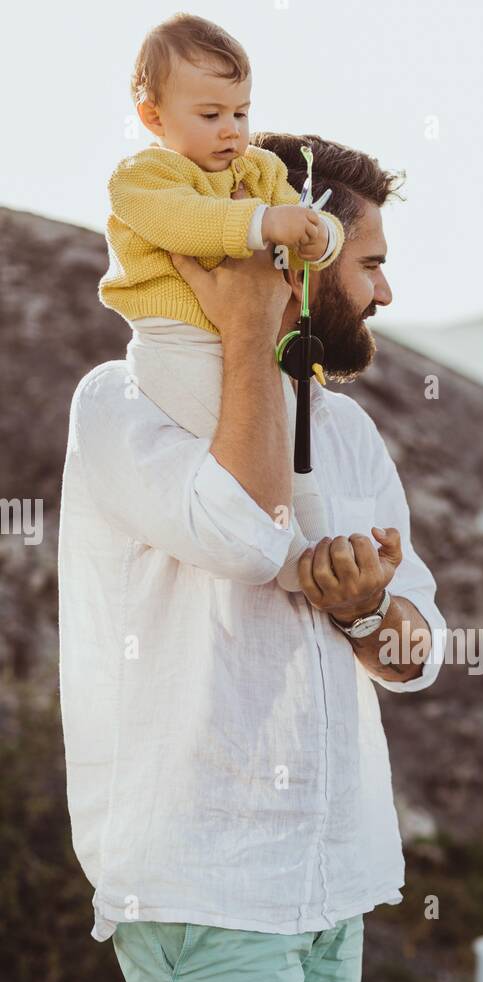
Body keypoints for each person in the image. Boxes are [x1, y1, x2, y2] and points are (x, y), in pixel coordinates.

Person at [57, 131, 448, 982]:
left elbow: (417, 649)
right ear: (297, 251)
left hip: (329, 871)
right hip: (203, 873)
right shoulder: (120, 403)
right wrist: (241, 327)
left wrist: (372, 609)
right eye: (364, 259)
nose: (385, 288)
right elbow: (239, 529)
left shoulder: (354, 432)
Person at [99, 13, 347, 588]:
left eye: (241, 112)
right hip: (175, 342)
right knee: (231, 440)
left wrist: (320, 236)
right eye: (210, 116)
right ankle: (286, 562)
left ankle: (317, 550)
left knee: (281, 434)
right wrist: (264, 222)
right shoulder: (145, 177)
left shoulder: (256, 169)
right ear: (152, 116)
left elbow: (303, 225)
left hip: (246, 340)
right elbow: (188, 223)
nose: (230, 130)